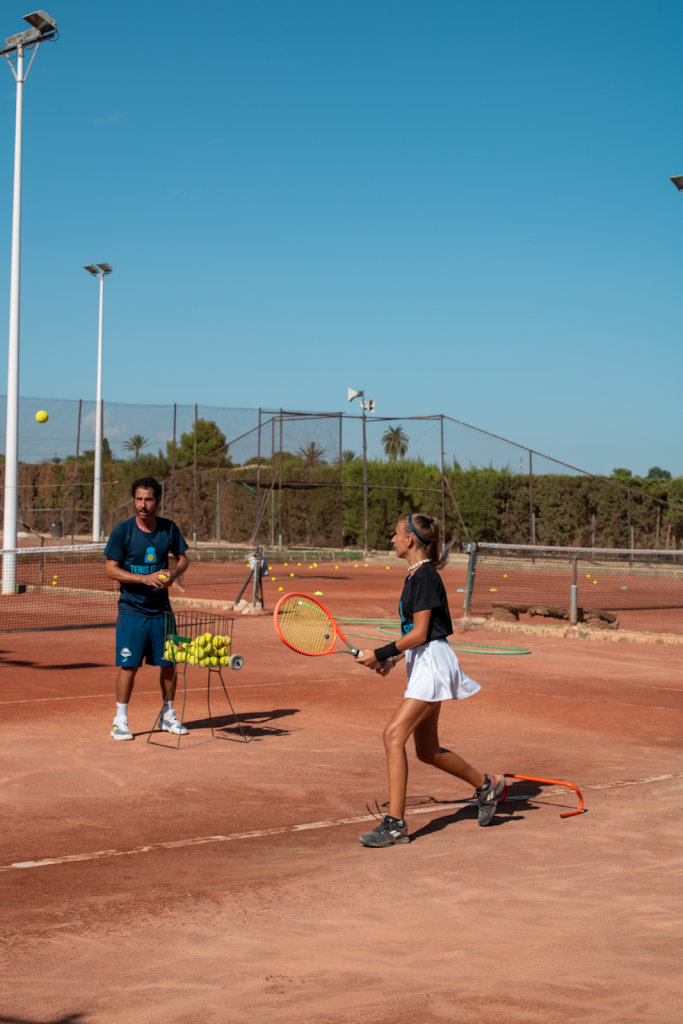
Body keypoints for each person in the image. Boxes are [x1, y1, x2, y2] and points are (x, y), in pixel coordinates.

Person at [356, 513, 505, 847]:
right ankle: (487, 784)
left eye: (395, 534)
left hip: (433, 665)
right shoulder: (416, 576)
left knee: (393, 735)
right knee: (427, 751)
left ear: (409, 539)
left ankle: (395, 825)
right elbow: (418, 634)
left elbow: (422, 632)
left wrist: (379, 653)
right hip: (422, 661)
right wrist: (393, 659)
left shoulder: (423, 577)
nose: (391, 540)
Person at [104, 477, 189, 740]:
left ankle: (168, 716)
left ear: (158, 501)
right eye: (139, 499)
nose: (143, 504)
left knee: (169, 664)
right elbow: (110, 569)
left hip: (162, 611)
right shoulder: (123, 531)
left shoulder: (168, 529)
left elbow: (184, 558)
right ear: (134, 500)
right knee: (129, 665)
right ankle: (120, 721)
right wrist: (143, 579)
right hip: (132, 611)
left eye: (148, 499)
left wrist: (174, 574)